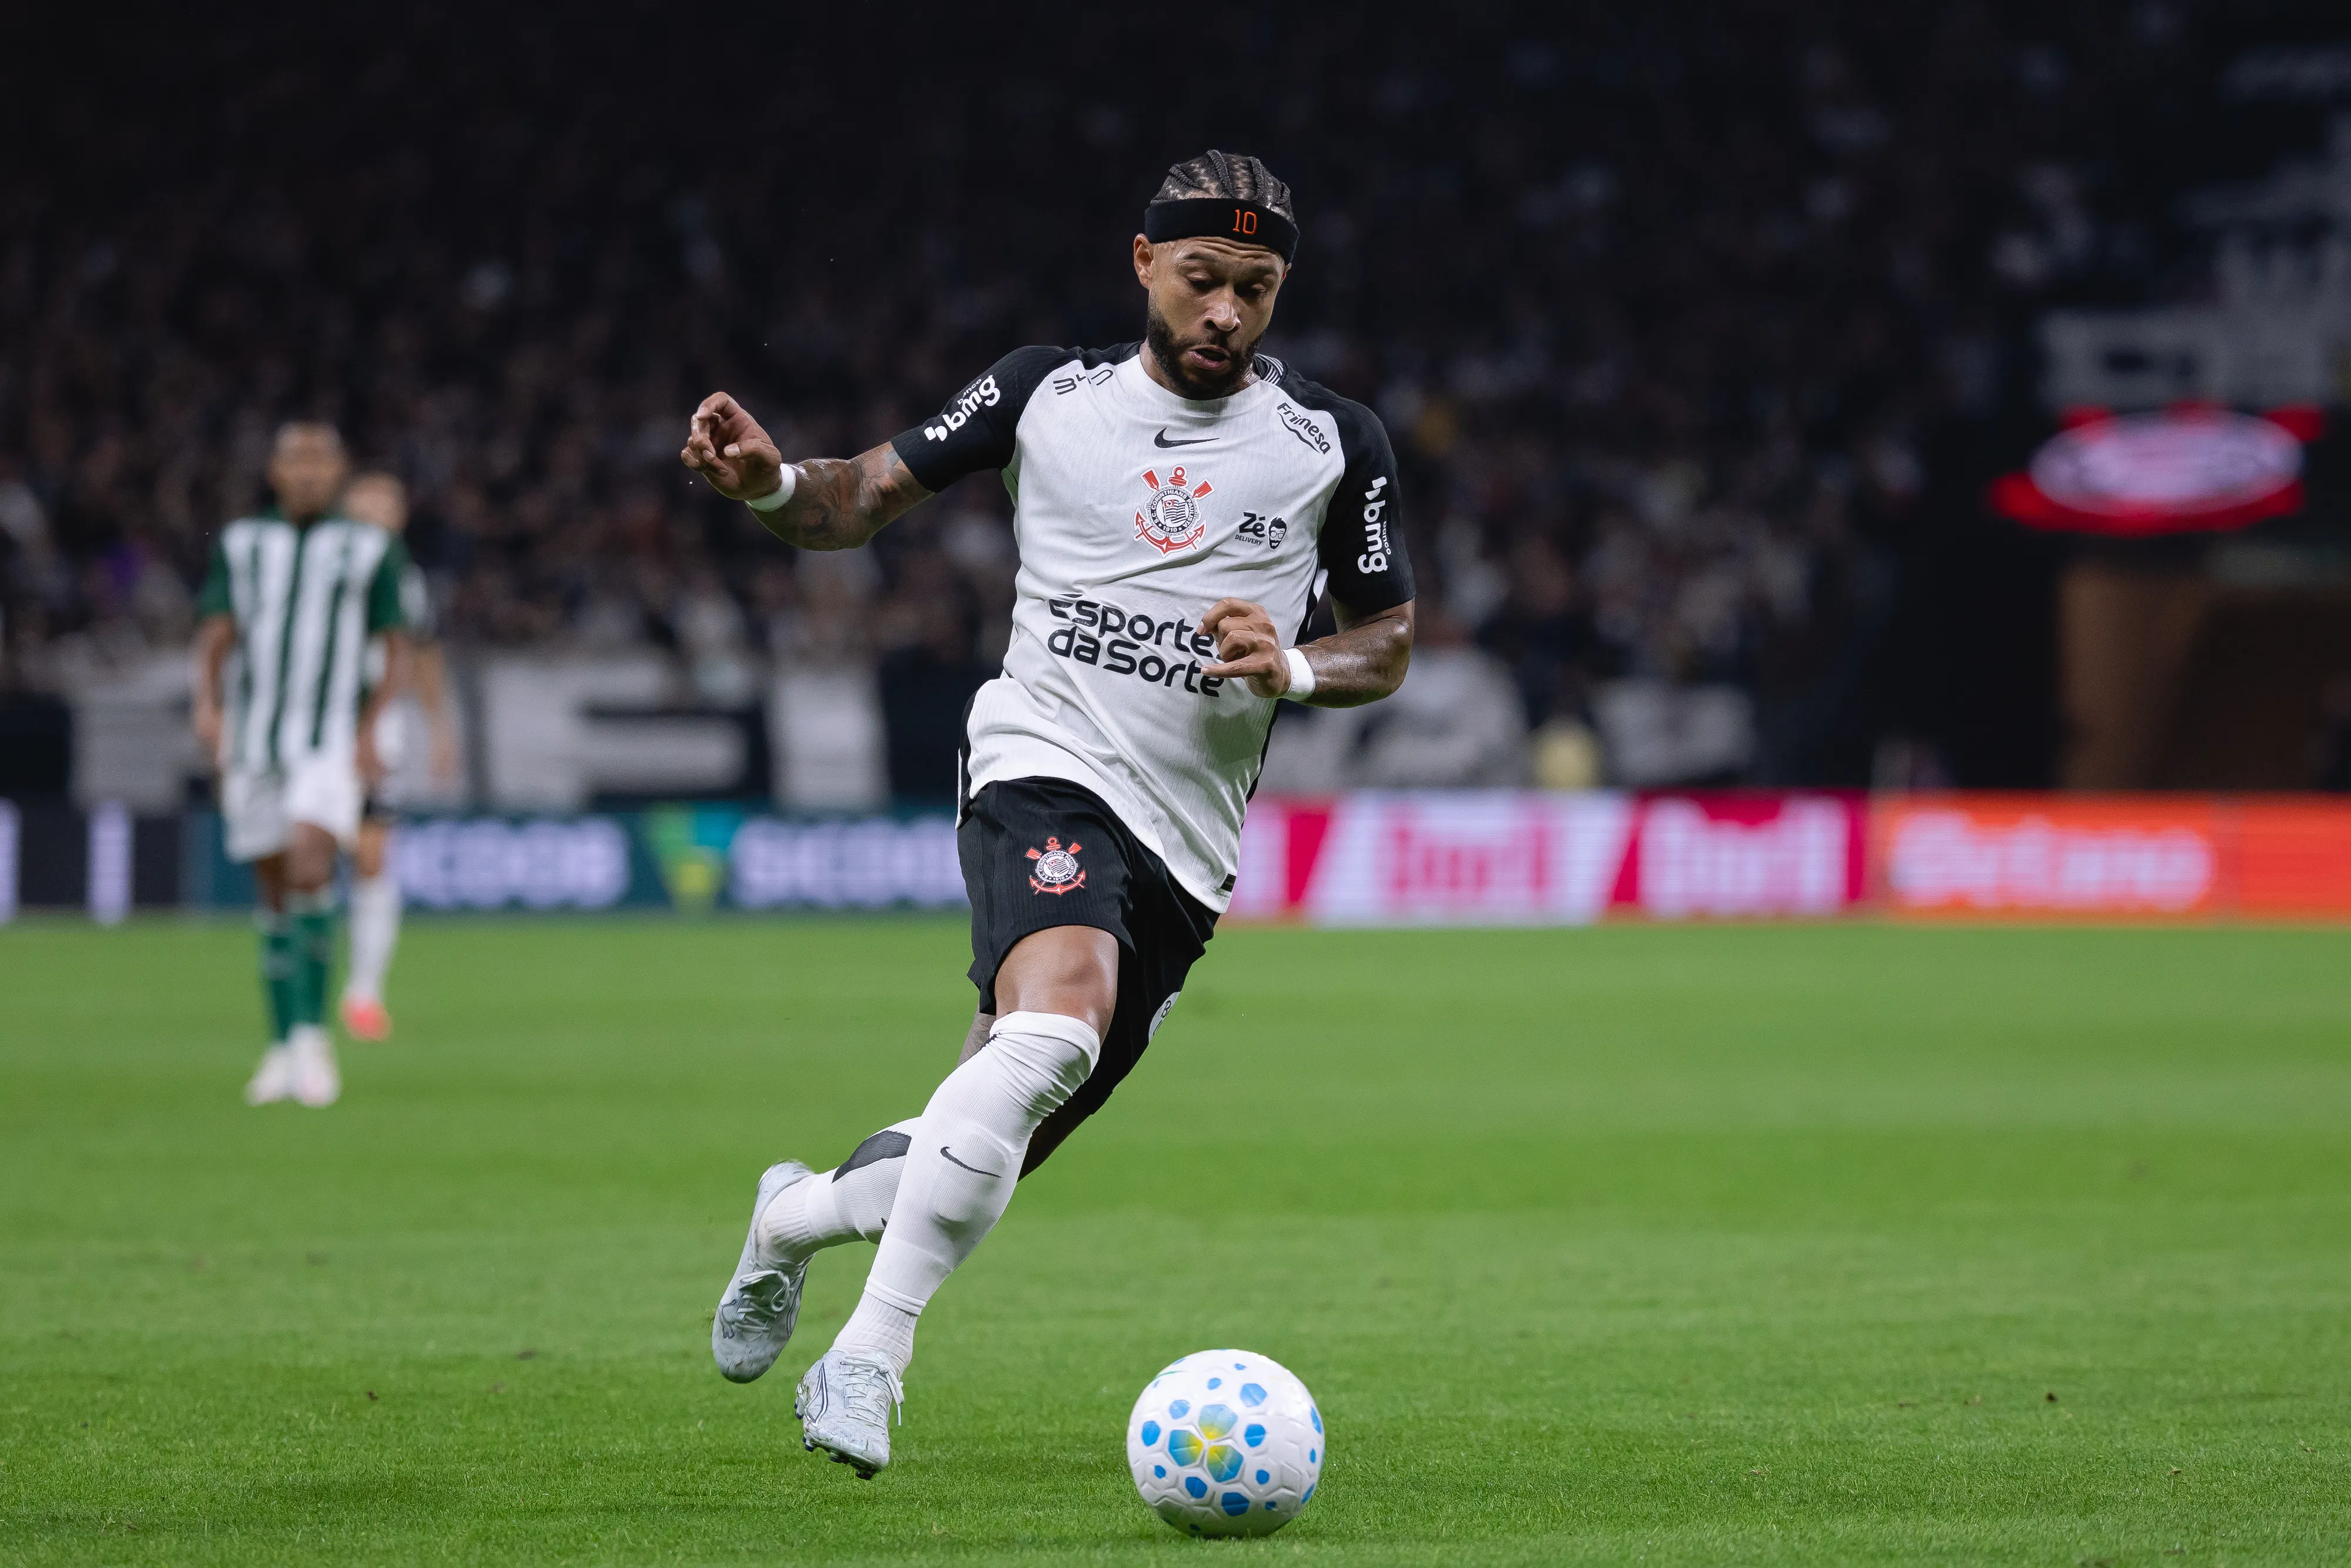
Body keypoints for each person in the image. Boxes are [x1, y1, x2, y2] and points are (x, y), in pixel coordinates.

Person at [682, 150, 1416, 1476]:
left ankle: (788, 1216)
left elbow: (1389, 638)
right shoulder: (1042, 394)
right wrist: (773, 487)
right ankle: (866, 1362)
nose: (1225, 316)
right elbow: (856, 497)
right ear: (1143, 263)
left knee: (984, 1132)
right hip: (1041, 755)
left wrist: (1297, 666)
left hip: (1187, 852)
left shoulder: (1332, 444)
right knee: (1058, 1021)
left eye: (1255, 291)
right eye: (1201, 280)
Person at [192, 424, 411, 1107]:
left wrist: (374, 728)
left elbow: (396, 642)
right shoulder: (242, 543)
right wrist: (206, 703)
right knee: (271, 893)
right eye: (297, 459)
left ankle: (315, 1039)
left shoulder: (369, 548)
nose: (310, 472)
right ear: (275, 470)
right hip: (255, 739)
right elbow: (217, 629)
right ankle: (281, 1045)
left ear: (340, 470)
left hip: (328, 741)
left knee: (311, 865)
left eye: (321, 460)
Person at [336, 472, 458, 1040]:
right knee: (305, 858)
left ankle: (363, 994)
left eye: (386, 499)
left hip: (378, 732)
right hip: (308, 730)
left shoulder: (407, 581)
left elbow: (423, 655)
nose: (373, 507)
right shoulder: (317, 564)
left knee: (371, 855)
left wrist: (438, 730)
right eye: (364, 497)